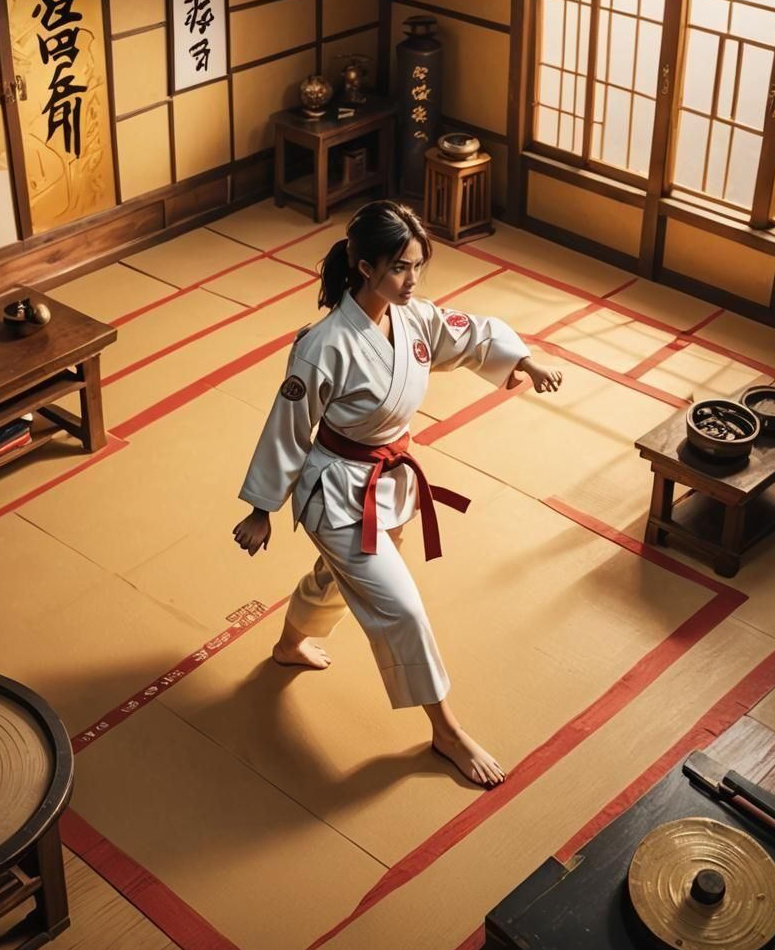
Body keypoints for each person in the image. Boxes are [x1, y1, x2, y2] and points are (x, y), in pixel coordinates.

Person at [232, 201, 563, 787]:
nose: (413, 280)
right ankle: (446, 731)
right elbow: (288, 426)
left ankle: (288, 645)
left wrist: (527, 361)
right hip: (337, 493)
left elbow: (473, 333)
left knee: (336, 577)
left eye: (417, 266)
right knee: (402, 608)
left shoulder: (413, 319)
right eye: (400, 268)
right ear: (365, 268)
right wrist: (262, 508)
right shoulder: (323, 344)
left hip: (389, 485)